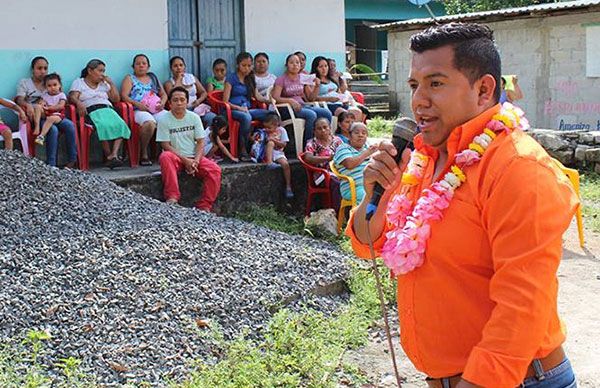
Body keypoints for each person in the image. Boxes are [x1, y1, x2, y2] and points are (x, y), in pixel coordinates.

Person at [348, 23, 578, 388]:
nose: (419, 100)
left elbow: (521, 308)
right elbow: (367, 245)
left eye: (435, 83)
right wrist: (377, 193)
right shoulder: (422, 159)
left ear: (484, 89)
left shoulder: (518, 169)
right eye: (413, 85)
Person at [157, 86, 221, 211]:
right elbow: (165, 145)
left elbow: (201, 142)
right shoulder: (164, 119)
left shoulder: (194, 117)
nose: (179, 103)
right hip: (176, 157)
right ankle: (172, 197)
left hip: (194, 157)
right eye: (175, 100)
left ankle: (204, 206)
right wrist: (186, 161)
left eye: (182, 99)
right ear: (170, 103)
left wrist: (196, 161)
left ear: (187, 102)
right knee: (165, 156)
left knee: (215, 170)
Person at [15, 56, 78, 167]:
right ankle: (51, 164)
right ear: (33, 69)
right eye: (39, 68)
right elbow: (19, 99)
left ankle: (72, 160)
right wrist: (27, 105)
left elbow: (60, 99)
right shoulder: (25, 83)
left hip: (55, 115)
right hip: (38, 117)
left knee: (70, 125)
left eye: (45, 68)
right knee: (52, 130)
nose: (42, 71)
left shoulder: (51, 83)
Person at [69, 59, 131, 168]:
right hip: (92, 111)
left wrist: (111, 83)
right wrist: (78, 103)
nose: (102, 74)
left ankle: (113, 155)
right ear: (90, 71)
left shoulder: (104, 84)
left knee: (121, 125)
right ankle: (109, 155)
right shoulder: (79, 82)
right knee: (102, 126)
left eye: (104, 71)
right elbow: (72, 97)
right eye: (100, 71)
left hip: (108, 109)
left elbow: (116, 99)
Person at [271, 54, 332, 145]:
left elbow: (310, 98)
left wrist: (317, 86)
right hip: (287, 109)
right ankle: (308, 144)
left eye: (297, 63)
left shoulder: (302, 78)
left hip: (303, 106)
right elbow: (275, 97)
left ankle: (325, 141)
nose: (295, 65)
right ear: (286, 65)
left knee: (326, 113)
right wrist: (290, 101)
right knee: (311, 114)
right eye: (292, 63)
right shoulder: (281, 79)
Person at [120, 54, 168, 166]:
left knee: (169, 119)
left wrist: (162, 103)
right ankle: (144, 151)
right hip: (139, 110)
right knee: (149, 124)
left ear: (148, 66)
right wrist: (138, 104)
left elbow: (163, 94)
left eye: (144, 63)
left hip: (156, 109)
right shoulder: (129, 78)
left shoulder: (153, 78)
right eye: (138, 63)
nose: (141, 65)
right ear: (133, 67)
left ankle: (167, 150)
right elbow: (124, 96)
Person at [223, 52, 270, 161]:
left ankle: (263, 146)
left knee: (270, 115)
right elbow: (225, 101)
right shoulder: (231, 78)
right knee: (246, 117)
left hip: (247, 109)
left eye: (249, 65)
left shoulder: (250, 78)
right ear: (238, 65)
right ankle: (243, 148)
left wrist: (269, 101)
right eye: (244, 65)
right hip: (232, 110)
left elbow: (257, 96)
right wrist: (239, 108)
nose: (246, 68)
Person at [164, 56, 216, 127]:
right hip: (182, 110)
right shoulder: (169, 83)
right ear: (171, 69)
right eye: (175, 66)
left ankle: (206, 137)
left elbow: (204, 92)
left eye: (181, 65)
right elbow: (173, 96)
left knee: (213, 118)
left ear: (184, 67)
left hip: (197, 108)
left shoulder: (192, 78)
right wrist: (179, 79)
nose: (179, 68)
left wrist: (198, 101)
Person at [304, 117, 344, 211]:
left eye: (325, 127)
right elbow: (308, 158)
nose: (323, 130)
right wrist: (327, 158)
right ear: (314, 131)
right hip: (322, 175)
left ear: (330, 128)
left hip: (339, 171)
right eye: (319, 128)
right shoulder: (312, 143)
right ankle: (337, 213)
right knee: (337, 184)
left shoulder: (337, 140)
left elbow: (345, 153)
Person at [333, 122, 376, 204]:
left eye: (364, 133)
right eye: (356, 133)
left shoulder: (367, 148)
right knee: (370, 196)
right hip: (353, 188)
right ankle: (363, 216)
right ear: (349, 136)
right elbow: (350, 164)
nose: (360, 135)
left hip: (370, 184)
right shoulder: (343, 148)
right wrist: (367, 153)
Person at [259, 112, 293, 198]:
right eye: (265, 127)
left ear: (276, 125)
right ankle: (269, 163)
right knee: (270, 143)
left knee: (285, 164)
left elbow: (284, 144)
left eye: (269, 127)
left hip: (278, 153)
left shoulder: (282, 131)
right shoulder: (264, 132)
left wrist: (274, 140)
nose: (267, 129)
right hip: (266, 153)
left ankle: (288, 186)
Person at [32, 73, 67, 146]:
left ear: (59, 85)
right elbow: (41, 102)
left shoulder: (61, 95)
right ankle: (37, 126)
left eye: (55, 85)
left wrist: (49, 108)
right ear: (45, 87)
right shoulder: (45, 95)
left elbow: (61, 106)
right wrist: (42, 104)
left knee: (51, 119)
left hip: (57, 115)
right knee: (37, 107)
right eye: (49, 86)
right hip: (46, 113)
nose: (52, 87)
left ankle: (41, 136)